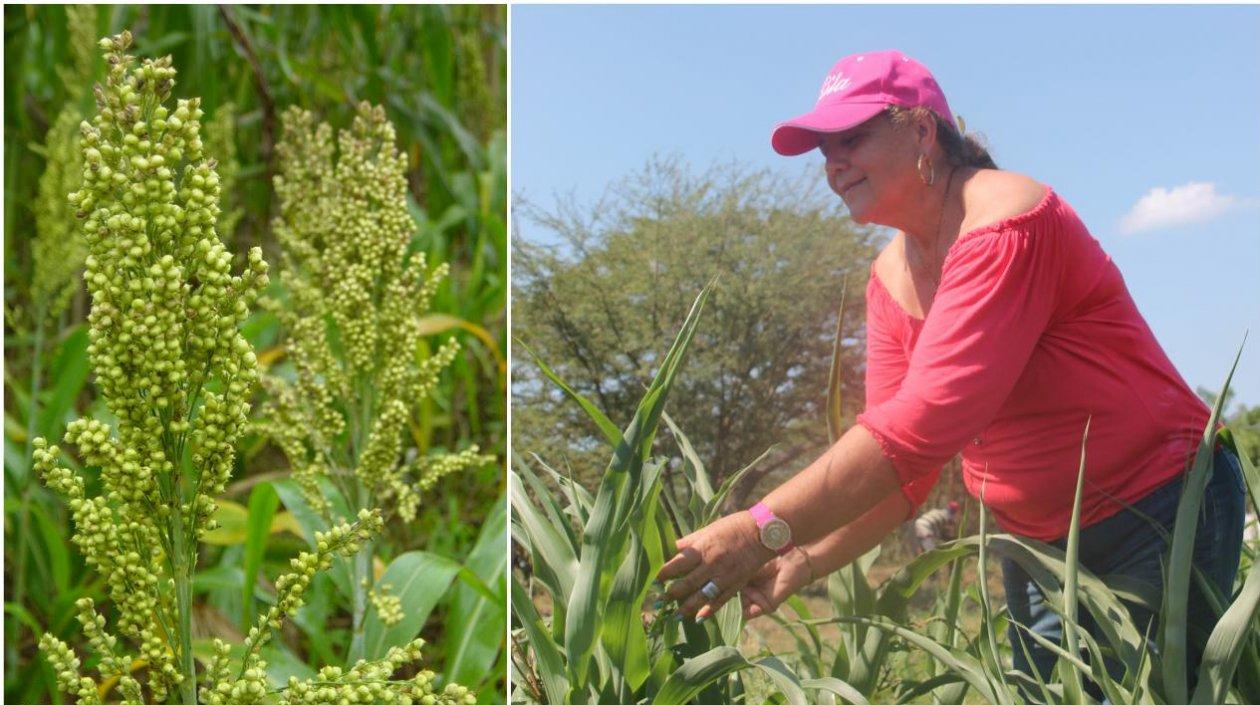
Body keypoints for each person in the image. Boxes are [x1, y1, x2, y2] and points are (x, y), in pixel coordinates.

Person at [657, 49, 1246, 692]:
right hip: (1035, 541)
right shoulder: (888, 278)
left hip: (1156, 505)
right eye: (825, 149)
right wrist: (802, 557)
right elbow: (902, 474)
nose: (833, 164)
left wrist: (758, 531)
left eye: (851, 138)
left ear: (921, 131)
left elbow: (926, 423)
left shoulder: (1006, 220)